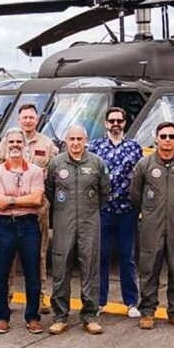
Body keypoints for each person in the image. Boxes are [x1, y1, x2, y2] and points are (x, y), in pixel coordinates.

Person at [129, 121, 174, 330]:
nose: (167, 140)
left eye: (171, 136)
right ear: (156, 139)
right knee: (149, 267)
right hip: (151, 224)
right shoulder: (145, 164)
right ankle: (148, 311)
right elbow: (135, 193)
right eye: (164, 136)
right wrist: (150, 210)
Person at [44, 124, 111, 335]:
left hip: (89, 221)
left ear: (86, 140)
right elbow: (50, 191)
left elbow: (104, 192)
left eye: (79, 139)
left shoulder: (97, 163)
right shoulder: (56, 163)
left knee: (90, 266)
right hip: (64, 221)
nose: (75, 143)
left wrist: (89, 211)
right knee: (61, 267)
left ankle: (90, 315)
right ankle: (60, 316)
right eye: (71, 139)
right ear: (66, 140)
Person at [0, 103, 58, 314]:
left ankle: (40, 298)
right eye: (24, 117)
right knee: (8, 256)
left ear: (37, 119)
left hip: (38, 208)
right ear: (19, 120)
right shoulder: (8, 141)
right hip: (11, 210)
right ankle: (8, 296)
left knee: (39, 254)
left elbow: (56, 170)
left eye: (32, 117)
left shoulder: (47, 144)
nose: (28, 120)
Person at [88, 107, 144, 317]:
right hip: (102, 211)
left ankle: (131, 302)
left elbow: (140, 177)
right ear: (105, 123)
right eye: (112, 120)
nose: (115, 124)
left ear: (124, 123)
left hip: (127, 211)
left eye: (119, 120)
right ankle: (100, 302)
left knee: (127, 257)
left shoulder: (134, 147)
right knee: (100, 257)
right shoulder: (95, 147)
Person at [0, 127, 46, 334]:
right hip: (4, 226)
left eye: (18, 142)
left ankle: (32, 316)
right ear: (6, 145)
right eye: (11, 142)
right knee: (0, 273)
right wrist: (25, 199)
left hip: (29, 225)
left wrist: (11, 200)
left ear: (24, 145)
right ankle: (2, 316)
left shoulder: (35, 171)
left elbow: (37, 199)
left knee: (33, 272)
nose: (15, 145)